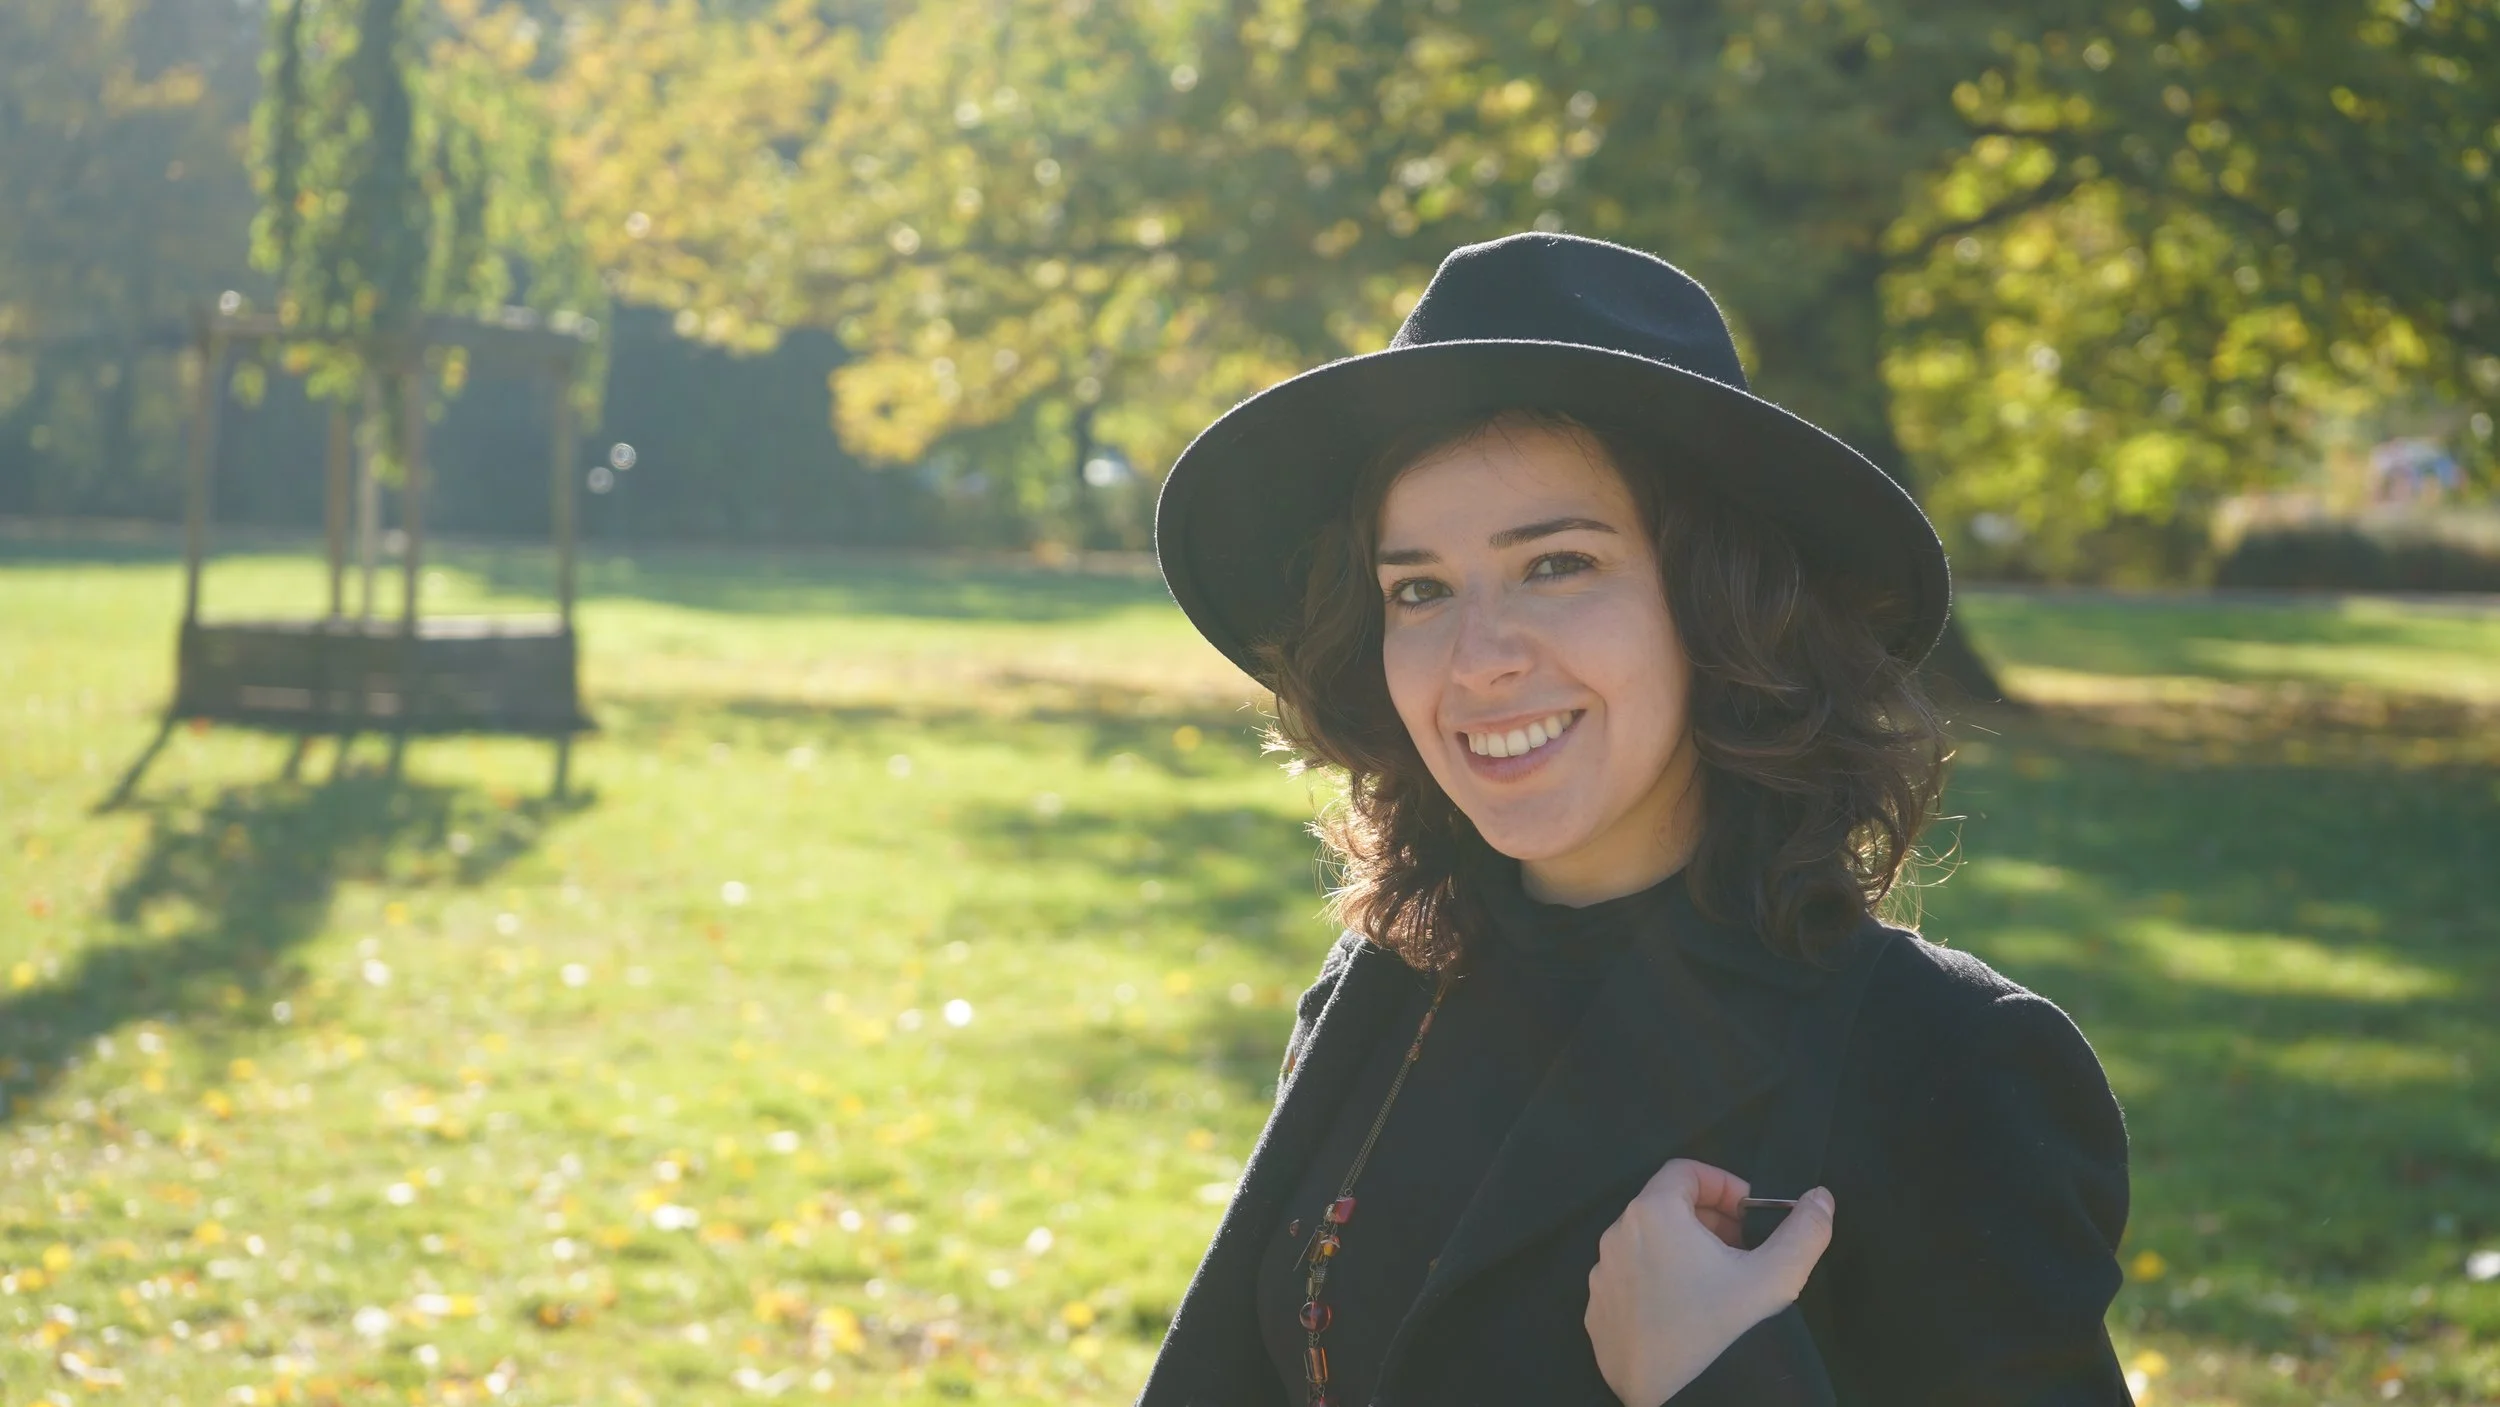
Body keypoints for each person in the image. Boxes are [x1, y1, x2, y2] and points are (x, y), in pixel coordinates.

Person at [1137, 233, 2132, 1406]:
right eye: (1420, 589)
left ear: (1721, 607)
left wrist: (1712, 1376)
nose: (1478, 660)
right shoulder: (1388, 984)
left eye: (1556, 565)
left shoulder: (1949, 1066)